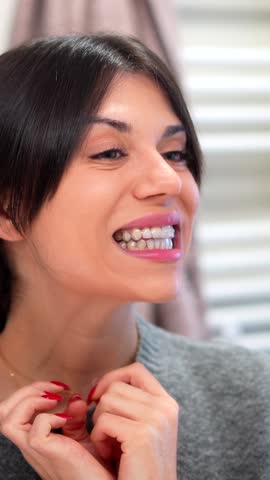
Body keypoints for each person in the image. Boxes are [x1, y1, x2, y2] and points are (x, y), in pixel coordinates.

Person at [0, 33, 269, 480]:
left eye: (175, 153)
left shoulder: (254, 395)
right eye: (109, 152)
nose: (168, 180)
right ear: (8, 209)